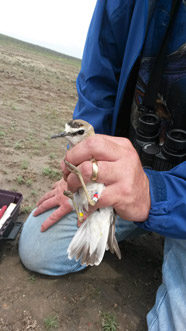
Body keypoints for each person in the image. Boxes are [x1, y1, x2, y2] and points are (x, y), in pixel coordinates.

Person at [19, 0, 186, 329]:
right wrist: (83, 174)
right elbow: (98, 85)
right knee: (38, 247)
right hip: (122, 182)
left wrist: (158, 196)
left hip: (174, 195)